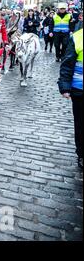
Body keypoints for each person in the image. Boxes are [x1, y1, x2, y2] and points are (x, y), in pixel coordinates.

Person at [58, 26, 83, 168]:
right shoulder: (78, 37)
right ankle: (82, 153)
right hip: (80, 89)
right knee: (80, 124)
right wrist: (65, 86)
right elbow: (67, 64)